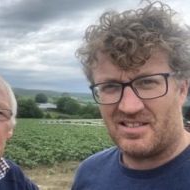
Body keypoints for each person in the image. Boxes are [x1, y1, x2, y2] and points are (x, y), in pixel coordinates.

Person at [72, 1, 190, 189]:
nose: (129, 106)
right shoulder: (89, 174)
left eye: (147, 82)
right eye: (110, 86)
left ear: (182, 89)